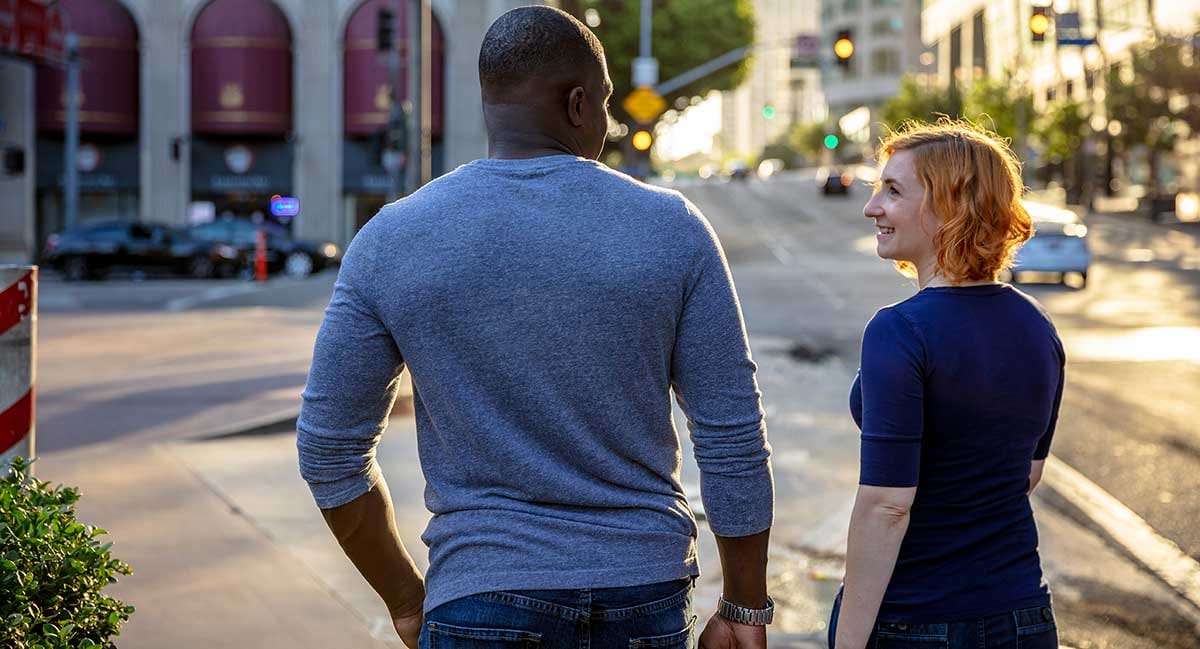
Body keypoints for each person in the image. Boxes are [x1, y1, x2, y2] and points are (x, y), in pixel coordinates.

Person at [296, 6, 774, 649]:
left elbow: (328, 449)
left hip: (476, 598)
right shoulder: (671, 228)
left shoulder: (392, 238)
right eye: (604, 102)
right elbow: (732, 435)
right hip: (642, 595)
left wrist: (408, 600)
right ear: (580, 104)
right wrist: (743, 605)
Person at [829, 121, 1064, 649]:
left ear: (950, 207)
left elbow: (887, 506)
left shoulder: (900, 329)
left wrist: (848, 642)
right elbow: (1026, 473)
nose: (872, 208)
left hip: (917, 619)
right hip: (1023, 616)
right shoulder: (1036, 325)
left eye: (893, 191)